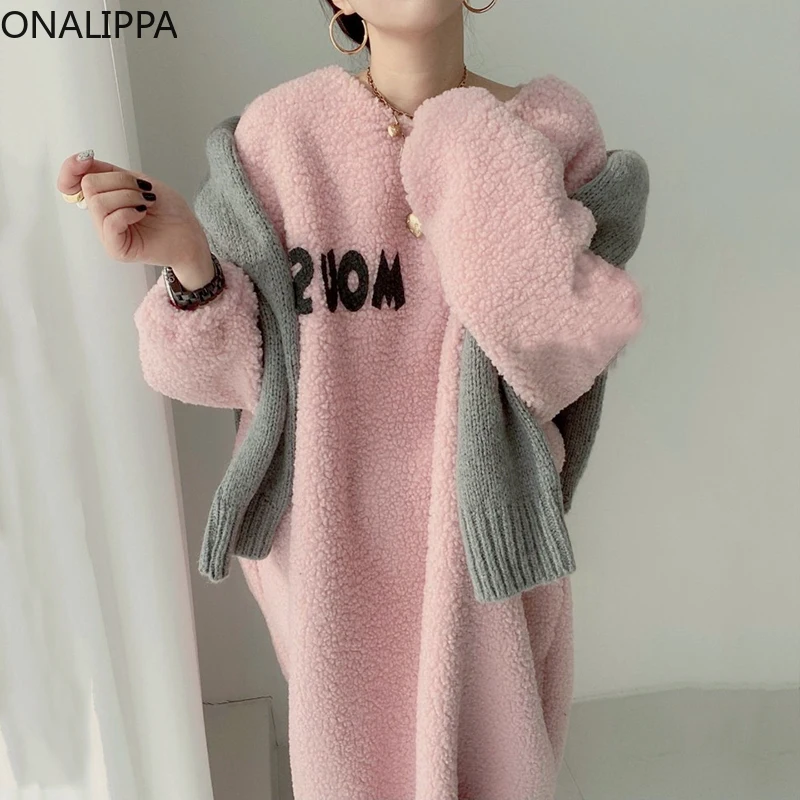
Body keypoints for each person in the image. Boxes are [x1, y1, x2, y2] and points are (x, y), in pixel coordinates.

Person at [56, 1, 644, 797]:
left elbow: (557, 350)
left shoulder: (552, 132)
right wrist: (190, 263)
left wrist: (458, 134)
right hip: (332, 559)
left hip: (484, 564)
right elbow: (217, 374)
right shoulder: (280, 141)